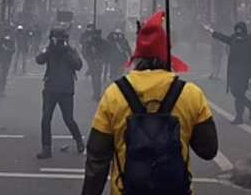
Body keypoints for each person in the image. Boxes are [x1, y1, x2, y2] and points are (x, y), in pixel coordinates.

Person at [82, 11, 218, 195]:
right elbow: (208, 150)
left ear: (137, 55)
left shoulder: (114, 94)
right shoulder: (191, 94)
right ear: (166, 54)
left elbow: (97, 159)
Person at [204, 21, 251, 124]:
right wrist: (212, 31)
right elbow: (222, 37)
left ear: (244, 30)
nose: (238, 32)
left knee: (239, 93)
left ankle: (239, 117)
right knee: (235, 92)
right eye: (237, 30)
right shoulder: (233, 39)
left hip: (246, 72)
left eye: (240, 30)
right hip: (234, 72)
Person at [35, 27, 84, 159]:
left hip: (66, 90)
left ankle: (79, 140)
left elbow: (79, 65)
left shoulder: (70, 50)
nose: (58, 41)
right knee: (46, 119)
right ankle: (46, 148)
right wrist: (48, 48)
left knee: (68, 119)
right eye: (55, 39)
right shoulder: (50, 50)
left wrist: (67, 52)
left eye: (60, 39)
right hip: (50, 88)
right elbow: (39, 60)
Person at [0, 32, 15, 98]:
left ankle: (2, 91)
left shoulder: (11, 43)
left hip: (7, 61)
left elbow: (13, 50)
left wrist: (7, 49)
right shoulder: (0, 43)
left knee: (4, 77)